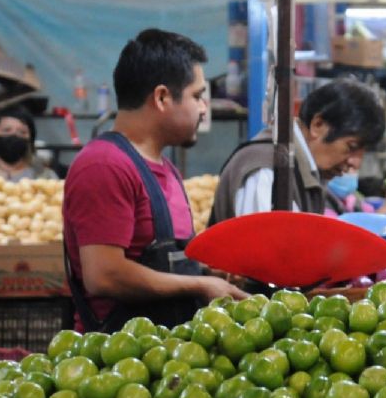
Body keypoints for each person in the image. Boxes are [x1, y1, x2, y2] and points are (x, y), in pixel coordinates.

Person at [62, 28, 248, 333]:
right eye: (198, 96)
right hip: (118, 362)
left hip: (167, 356)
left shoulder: (165, 168)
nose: (204, 108)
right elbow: (104, 274)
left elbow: (157, 260)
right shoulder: (105, 165)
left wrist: (203, 271)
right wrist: (199, 285)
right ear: (162, 97)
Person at [209, 78, 385, 223]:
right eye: (351, 147)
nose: (355, 163)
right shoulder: (269, 169)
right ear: (318, 125)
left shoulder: (306, 171)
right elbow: (261, 257)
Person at [0, 106, 58, 184]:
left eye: (22, 132)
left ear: (30, 140)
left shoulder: (47, 178)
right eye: (6, 130)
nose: (14, 135)